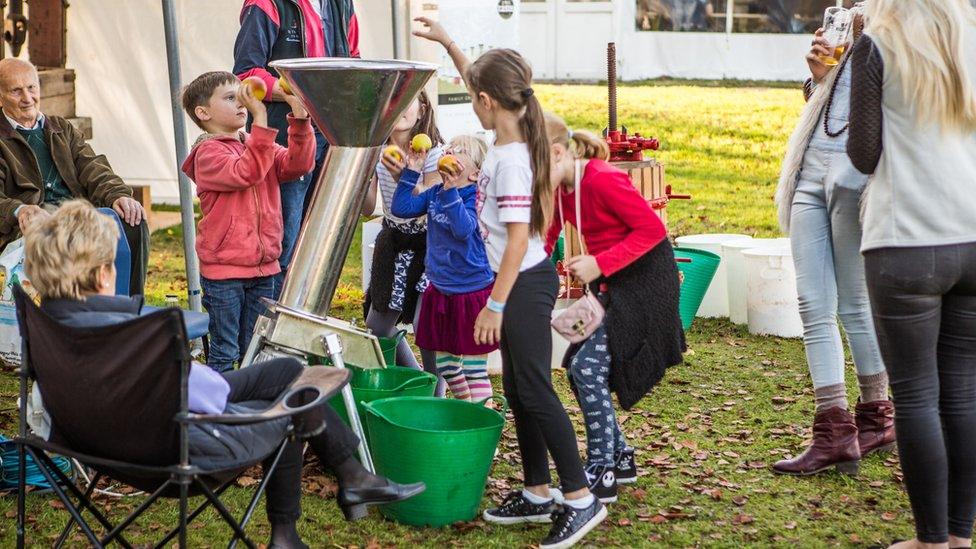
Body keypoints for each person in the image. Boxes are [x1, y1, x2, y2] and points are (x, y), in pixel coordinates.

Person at [22, 200, 425, 549]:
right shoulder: (133, 331)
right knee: (291, 401)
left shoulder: (48, 326)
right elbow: (212, 397)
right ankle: (310, 513)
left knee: (286, 371)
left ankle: (349, 482)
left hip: (97, 444)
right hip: (178, 451)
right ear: (101, 275)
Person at [414, 17, 606, 548]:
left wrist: (495, 305)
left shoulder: (513, 162)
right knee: (520, 391)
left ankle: (580, 498)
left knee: (535, 391)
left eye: (475, 95)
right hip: (518, 280)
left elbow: (518, 240)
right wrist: (450, 43)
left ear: (484, 101)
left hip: (522, 282)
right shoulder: (503, 138)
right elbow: (479, 82)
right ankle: (538, 491)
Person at [848, 1, 976, 547]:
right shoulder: (970, 36)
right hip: (972, 232)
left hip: (906, 238)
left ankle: (930, 541)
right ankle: (960, 534)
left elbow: (862, 153)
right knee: (965, 394)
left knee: (918, 396)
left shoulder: (878, 42)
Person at [771, 3, 894, 477]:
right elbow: (830, 105)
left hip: (855, 175)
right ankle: (835, 429)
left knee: (854, 302)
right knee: (810, 302)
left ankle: (877, 415)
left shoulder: (897, 23)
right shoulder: (851, 20)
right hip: (809, 169)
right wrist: (820, 73)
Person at [543, 113, 684, 503]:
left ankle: (602, 469)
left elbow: (653, 231)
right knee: (577, 367)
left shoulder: (603, 178)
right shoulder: (560, 190)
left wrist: (600, 263)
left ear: (557, 154)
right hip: (613, 283)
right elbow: (547, 235)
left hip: (647, 283)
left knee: (588, 368)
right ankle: (621, 458)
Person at [180, 71, 315, 373]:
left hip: (264, 268)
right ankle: (220, 413)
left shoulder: (255, 144)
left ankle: (249, 409)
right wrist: (261, 115)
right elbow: (247, 172)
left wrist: (300, 116)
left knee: (255, 348)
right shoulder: (207, 153)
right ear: (203, 113)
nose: (243, 103)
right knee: (226, 352)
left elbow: (299, 164)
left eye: (243, 95)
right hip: (225, 274)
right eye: (231, 98)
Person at [233, 0, 360, 296]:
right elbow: (245, 73)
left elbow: (353, 58)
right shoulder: (265, 4)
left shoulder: (343, 4)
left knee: (318, 237)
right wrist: (293, 97)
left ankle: (300, 313)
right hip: (284, 138)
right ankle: (270, 323)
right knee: (283, 241)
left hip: (331, 134)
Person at [0, 58, 149, 296]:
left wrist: (117, 195)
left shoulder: (60, 127)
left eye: (31, 88)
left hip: (77, 213)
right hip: (31, 223)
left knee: (132, 220)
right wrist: (20, 210)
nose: (27, 98)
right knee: (58, 234)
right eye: (16, 91)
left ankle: (127, 306)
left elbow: (93, 166)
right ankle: (63, 313)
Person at [391, 134, 497, 402]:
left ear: (475, 173)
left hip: (472, 292)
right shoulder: (436, 193)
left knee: (474, 371)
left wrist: (450, 190)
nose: (450, 151)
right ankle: (466, 412)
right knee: (448, 368)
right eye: (450, 147)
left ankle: (481, 429)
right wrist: (412, 171)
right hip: (440, 291)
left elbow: (463, 229)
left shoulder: (477, 196)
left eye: (460, 150)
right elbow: (402, 208)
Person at [360, 92, 443, 390]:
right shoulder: (379, 152)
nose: (399, 108)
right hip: (393, 242)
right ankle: (416, 378)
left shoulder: (434, 154)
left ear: (421, 110)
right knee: (378, 326)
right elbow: (368, 207)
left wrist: (404, 177)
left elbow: (429, 204)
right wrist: (362, 171)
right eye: (392, 100)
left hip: (428, 245)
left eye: (408, 100)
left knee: (426, 326)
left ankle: (437, 392)